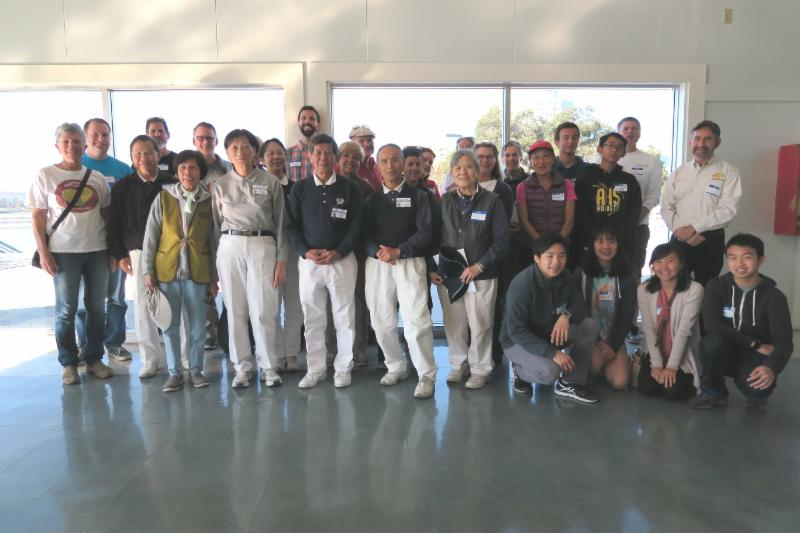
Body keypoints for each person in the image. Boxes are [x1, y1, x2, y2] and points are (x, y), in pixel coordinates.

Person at [29, 123, 114, 385]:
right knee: (66, 309)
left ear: (84, 146)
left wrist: (113, 251)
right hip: (63, 251)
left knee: (97, 308)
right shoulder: (45, 175)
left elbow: (107, 216)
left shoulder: (96, 177)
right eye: (66, 141)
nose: (71, 146)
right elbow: (38, 216)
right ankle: (68, 363)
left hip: (98, 250)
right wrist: (43, 251)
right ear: (57, 146)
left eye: (76, 141)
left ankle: (94, 359)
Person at [212, 129, 287, 389]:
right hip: (230, 245)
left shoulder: (270, 182)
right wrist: (214, 266)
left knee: (264, 309)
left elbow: (281, 223)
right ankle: (242, 367)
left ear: (255, 152)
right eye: (234, 148)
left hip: (263, 244)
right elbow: (215, 226)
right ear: (227, 153)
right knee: (235, 309)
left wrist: (281, 259)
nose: (241, 152)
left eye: (246, 147)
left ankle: (268, 366)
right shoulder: (220, 185)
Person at [286, 134, 362, 389]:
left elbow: (356, 225)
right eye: (317, 153)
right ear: (309, 156)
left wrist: (339, 251)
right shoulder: (300, 189)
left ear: (335, 157)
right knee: (313, 317)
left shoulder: (349, 188)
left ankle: (343, 368)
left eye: (328, 153)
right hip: (310, 263)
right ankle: (316, 368)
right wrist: (305, 252)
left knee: (344, 317)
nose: (322, 158)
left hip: (342, 261)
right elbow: (291, 227)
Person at [363, 144, 436, 398]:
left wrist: (399, 250)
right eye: (384, 161)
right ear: (378, 165)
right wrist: (378, 252)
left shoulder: (419, 197)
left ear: (403, 163)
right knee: (380, 320)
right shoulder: (371, 201)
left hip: (410, 262)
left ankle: (426, 375)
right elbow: (363, 235)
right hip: (378, 264)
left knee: (416, 321)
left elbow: (426, 232)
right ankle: (396, 366)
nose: (390, 165)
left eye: (395, 160)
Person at [431, 149, 508, 390]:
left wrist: (479, 265)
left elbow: (502, 241)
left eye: (468, 167)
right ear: (452, 173)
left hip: (482, 273)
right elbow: (434, 237)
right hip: (451, 273)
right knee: (454, 324)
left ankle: (480, 369)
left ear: (477, 171)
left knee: (481, 324)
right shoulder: (445, 200)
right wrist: (434, 267)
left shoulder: (492, 201)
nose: (463, 172)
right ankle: (458, 364)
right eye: (458, 168)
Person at [142, 150, 218, 392]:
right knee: (169, 324)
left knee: (198, 326)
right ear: (176, 172)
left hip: (198, 271)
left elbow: (214, 241)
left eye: (193, 168)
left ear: (201, 172)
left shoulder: (209, 200)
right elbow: (151, 236)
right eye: (183, 168)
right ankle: (174, 373)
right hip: (167, 271)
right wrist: (147, 271)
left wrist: (214, 278)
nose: (188, 172)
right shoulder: (164, 198)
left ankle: (196, 370)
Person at [692, 234, 794, 411]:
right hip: (726, 348)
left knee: (758, 390)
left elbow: (784, 342)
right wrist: (754, 343)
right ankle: (713, 391)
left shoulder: (774, 297)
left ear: (760, 260)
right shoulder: (716, 286)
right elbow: (712, 326)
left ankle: (754, 390)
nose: (739, 264)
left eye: (747, 257)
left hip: (754, 356)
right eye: (733, 257)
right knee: (710, 343)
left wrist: (771, 368)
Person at [500, 233, 599, 403]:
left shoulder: (565, 276)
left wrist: (565, 316)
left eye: (561, 256)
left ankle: (569, 383)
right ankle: (519, 370)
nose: (556, 262)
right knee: (550, 372)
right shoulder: (522, 285)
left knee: (589, 326)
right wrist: (553, 353)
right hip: (517, 342)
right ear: (537, 258)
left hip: (548, 333)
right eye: (549, 256)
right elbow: (516, 330)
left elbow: (580, 305)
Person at [108, 135, 177, 378]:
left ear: (158, 155)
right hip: (137, 253)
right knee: (143, 308)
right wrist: (120, 254)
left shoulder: (172, 183)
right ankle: (150, 360)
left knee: (174, 305)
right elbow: (114, 223)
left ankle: (181, 359)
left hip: (170, 252)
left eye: (148, 152)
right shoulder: (123, 187)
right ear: (132, 158)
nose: (144, 158)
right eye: (138, 153)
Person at [76, 118, 133, 363]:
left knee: (116, 298)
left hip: (115, 244)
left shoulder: (122, 169)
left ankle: (114, 343)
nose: (101, 139)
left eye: (105, 134)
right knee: (82, 300)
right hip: (82, 245)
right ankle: (85, 346)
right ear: (86, 138)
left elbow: (129, 209)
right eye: (95, 134)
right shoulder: (76, 166)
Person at [660, 120, 742, 286]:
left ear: (717, 142)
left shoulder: (729, 171)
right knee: (674, 287)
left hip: (710, 241)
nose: (701, 144)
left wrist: (693, 229)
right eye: (697, 139)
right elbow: (666, 206)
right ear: (690, 142)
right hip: (679, 238)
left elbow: (728, 210)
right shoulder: (679, 172)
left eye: (707, 139)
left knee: (707, 290)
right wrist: (680, 231)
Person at [257, 138, 303, 372]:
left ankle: (291, 353)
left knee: (295, 304)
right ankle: (275, 354)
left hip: (293, 253)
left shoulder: (297, 188)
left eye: (279, 153)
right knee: (270, 306)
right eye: (270, 153)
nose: (276, 157)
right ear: (262, 159)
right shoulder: (258, 189)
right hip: (266, 253)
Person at [573, 228, 638, 391]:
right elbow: (577, 310)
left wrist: (613, 345)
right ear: (592, 245)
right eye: (600, 241)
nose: (606, 246)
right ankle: (598, 363)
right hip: (589, 338)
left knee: (620, 382)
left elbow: (627, 316)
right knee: (590, 368)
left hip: (614, 339)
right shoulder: (581, 274)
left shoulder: (627, 277)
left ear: (619, 245)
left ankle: (619, 361)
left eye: (611, 241)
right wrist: (599, 343)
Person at [637, 242, 702, 400]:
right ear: (652, 266)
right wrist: (657, 364)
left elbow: (684, 331)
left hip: (682, 353)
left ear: (681, 264)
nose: (664, 267)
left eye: (670, 261)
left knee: (673, 392)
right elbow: (648, 327)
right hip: (655, 352)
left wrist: (672, 367)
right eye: (658, 262)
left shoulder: (694, 289)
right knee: (647, 388)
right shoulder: (644, 289)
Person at [572, 132, 642, 269]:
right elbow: (581, 213)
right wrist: (596, 238)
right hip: (591, 243)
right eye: (609, 145)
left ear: (624, 152)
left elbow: (633, 213)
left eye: (619, 147)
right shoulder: (585, 179)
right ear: (599, 149)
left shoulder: (629, 181)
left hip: (621, 244)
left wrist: (616, 239)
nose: (614, 150)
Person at [333, 141, 373, 367]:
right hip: (331, 252)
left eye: (356, 157)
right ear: (338, 158)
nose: (351, 160)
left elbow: (366, 222)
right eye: (346, 155)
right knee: (332, 300)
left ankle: (358, 349)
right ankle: (333, 350)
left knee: (358, 299)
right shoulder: (329, 182)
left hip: (357, 251)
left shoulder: (365, 187)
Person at [191, 121, 230, 350]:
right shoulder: (188, 168)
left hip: (226, 233)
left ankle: (227, 333)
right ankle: (208, 333)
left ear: (216, 140)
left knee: (229, 285)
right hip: (199, 234)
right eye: (201, 138)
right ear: (194, 141)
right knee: (204, 283)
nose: (205, 142)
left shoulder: (227, 169)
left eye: (209, 138)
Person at [617, 117, 663, 272]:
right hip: (610, 228)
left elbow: (653, 196)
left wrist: (633, 219)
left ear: (639, 133)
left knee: (633, 272)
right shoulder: (602, 160)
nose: (630, 131)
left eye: (634, 128)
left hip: (638, 227)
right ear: (618, 133)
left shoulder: (651, 161)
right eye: (626, 128)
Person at [516, 140, 575, 252]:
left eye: (546, 156)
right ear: (530, 162)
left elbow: (570, 220)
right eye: (536, 157)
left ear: (553, 159)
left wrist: (557, 245)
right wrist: (542, 245)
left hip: (561, 247)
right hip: (532, 247)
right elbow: (524, 221)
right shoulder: (522, 187)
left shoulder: (567, 185)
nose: (541, 161)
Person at [287, 105, 320, 182]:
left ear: (318, 124)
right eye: (303, 118)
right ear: (299, 123)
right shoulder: (288, 153)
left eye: (312, 119)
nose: (307, 121)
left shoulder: (324, 154)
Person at [349, 125, 382, 191]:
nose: (367, 144)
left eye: (369, 140)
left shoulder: (376, 165)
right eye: (361, 141)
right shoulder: (349, 166)